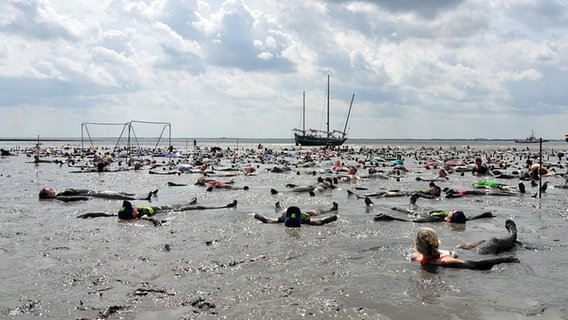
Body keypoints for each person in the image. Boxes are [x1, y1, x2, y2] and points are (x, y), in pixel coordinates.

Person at [410, 223, 520, 270]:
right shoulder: (445, 260)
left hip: (457, 251)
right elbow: (474, 264)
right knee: (493, 240)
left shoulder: (415, 256)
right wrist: (504, 259)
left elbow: (423, 254)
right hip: (476, 254)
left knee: (460, 246)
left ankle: (482, 241)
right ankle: (512, 233)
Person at [77, 199, 238, 226]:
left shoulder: (120, 214)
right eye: (133, 207)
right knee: (195, 209)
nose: (135, 206)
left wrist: (85, 215)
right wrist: (158, 223)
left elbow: (102, 214)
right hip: (169, 210)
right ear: (133, 214)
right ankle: (225, 207)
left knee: (187, 204)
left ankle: (191, 202)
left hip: (164, 206)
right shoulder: (141, 216)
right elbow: (151, 220)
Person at [254, 203, 338, 227]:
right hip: (305, 214)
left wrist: (256, 215)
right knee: (318, 211)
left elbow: (267, 220)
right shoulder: (303, 219)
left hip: (291, 214)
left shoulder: (283, 218)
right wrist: (334, 217)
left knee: (284, 210)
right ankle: (332, 209)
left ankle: (279, 207)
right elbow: (321, 221)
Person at [374, 208, 494, 223]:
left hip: (420, 214)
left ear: (449, 219)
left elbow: (413, 221)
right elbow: (472, 218)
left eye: (453, 211)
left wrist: (389, 217)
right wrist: (485, 214)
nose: (452, 210)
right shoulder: (463, 219)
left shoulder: (437, 219)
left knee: (402, 210)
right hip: (427, 211)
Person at [39, 187, 156, 202]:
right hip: (94, 195)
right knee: (117, 197)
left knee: (118, 193)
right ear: (47, 195)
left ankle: (141, 195)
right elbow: (73, 198)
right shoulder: (60, 197)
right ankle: (144, 199)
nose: (51, 189)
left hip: (94, 192)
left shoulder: (60, 194)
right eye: (49, 189)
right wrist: (87, 198)